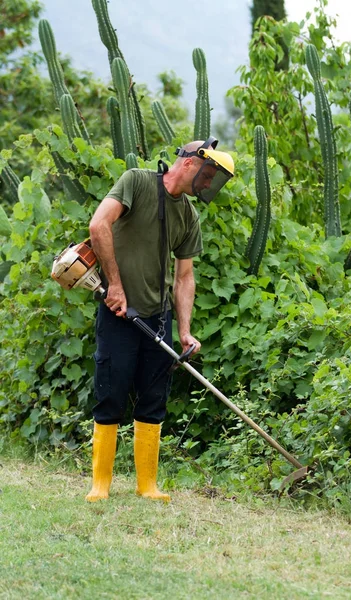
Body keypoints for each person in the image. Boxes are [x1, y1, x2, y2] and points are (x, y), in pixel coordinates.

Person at [85, 138, 234, 503]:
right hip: (118, 312)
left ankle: (147, 485)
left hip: (158, 318)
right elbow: (98, 225)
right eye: (208, 174)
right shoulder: (136, 181)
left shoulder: (188, 215)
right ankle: (100, 485)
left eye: (214, 178)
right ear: (188, 164)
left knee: (154, 400)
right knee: (111, 394)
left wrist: (184, 331)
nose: (207, 183)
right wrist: (115, 287)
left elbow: (185, 277)